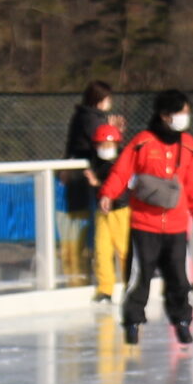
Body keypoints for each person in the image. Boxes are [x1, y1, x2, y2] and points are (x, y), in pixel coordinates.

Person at [98, 91, 193, 347]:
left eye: (186, 113)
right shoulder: (143, 142)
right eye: (181, 113)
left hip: (177, 225)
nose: (184, 118)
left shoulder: (188, 144)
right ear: (165, 115)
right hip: (145, 224)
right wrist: (108, 193)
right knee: (139, 275)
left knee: (179, 278)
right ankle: (133, 321)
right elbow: (122, 170)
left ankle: (181, 320)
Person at [63, 81, 115, 290]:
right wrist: (111, 131)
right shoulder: (91, 119)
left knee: (91, 224)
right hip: (88, 178)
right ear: (100, 99)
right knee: (95, 225)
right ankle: (94, 272)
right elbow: (102, 145)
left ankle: (94, 269)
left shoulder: (84, 117)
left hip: (84, 176)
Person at [89, 120, 131, 301]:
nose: (105, 147)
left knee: (123, 250)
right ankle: (106, 289)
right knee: (102, 251)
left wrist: (95, 183)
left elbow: (118, 185)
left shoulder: (122, 160)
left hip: (120, 211)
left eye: (109, 144)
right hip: (102, 212)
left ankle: (131, 286)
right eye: (101, 144)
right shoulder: (96, 160)